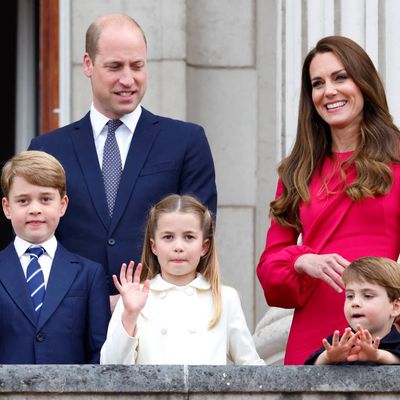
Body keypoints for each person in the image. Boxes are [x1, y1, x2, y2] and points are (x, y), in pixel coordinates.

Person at [28, 14, 217, 308]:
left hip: (161, 317)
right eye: (115, 67)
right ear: (88, 65)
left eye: (137, 66)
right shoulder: (47, 149)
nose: (128, 79)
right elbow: (34, 242)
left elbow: (200, 234)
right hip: (70, 319)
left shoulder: (186, 141)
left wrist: (142, 298)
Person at [256, 35, 400, 364]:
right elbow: (269, 268)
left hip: (382, 336)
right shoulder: (297, 170)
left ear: (363, 83)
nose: (329, 91)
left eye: (340, 77)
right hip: (314, 334)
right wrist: (303, 261)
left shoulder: (398, 160)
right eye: (317, 83)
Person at [100, 194, 264, 365]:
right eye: (168, 237)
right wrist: (130, 314)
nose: (178, 247)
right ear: (153, 246)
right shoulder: (134, 298)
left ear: (204, 246)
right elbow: (111, 367)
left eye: (189, 237)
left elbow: (250, 366)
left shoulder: (224, 298)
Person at [0, 150, 110, 364]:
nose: (34, 209)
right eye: (23, 201)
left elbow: (99, 351)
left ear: (62, 204)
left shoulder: (88, 274)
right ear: (7, 207)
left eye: (45, 199)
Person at [305, 257, 400, 365]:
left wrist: (378, 355)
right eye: (350, 296)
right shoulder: (339, 344)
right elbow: (307, 372)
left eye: (368, 296)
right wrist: (327, 357)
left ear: (395, 307)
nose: (355, 303)